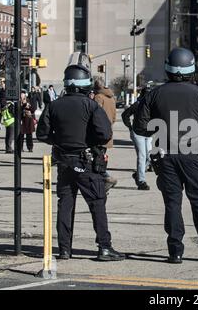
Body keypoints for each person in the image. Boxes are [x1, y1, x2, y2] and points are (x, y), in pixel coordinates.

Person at [133, 47, 198, 264]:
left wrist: (158, 131)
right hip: (193, 154)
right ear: (192, 68)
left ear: (168, 68)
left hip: (164, 155)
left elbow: (140, 126)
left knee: (172, 203)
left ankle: (175, 251)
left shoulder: (154, 94)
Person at [37, 52, 124, 262]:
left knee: (65, 204)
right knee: (97, 203)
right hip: (87, 162)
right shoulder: (91, 106)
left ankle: (65, 250)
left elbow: (42, 134)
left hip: (64, 162)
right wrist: (90, 140)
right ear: (86, 83)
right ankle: (104, 247)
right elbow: (105, 133)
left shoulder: (54, 105)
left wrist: (58, 141)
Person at [121, 95, 153, 191]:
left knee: (149, 157)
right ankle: (141, 181)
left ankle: (138, 174)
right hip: (138, 133)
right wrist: (130, 128)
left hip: (149, 133)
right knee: (142, 156)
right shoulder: (138, 104)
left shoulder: (155, 104)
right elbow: (125, 115)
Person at [93, 77, 118, 191]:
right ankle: (103, 181)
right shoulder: (111, 98)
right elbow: (113, 118)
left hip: (97, 133)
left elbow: (93, 115)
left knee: (95, 159)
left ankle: (106, 178)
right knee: (101, 158)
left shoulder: (98, 98)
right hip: (108, 132)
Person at [0, 81, 15, 153]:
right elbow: (3, 103)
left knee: (8, 134)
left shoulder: (3, 92)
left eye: (2, 84)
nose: (2, 85)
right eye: (1, 84)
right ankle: (8, 148)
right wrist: (9, 103)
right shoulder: (3, 93)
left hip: (7, 120)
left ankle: (8, 148)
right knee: (10, 135)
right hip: (10, 119)